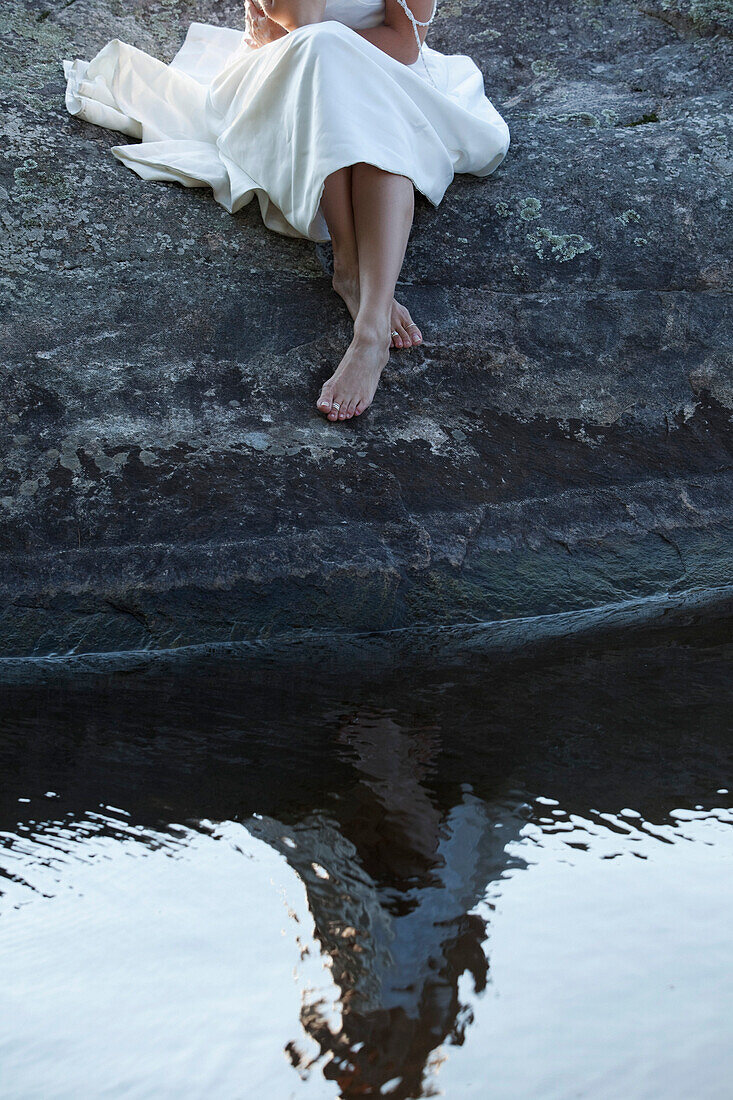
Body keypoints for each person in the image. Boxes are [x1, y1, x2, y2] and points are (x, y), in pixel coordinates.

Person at [62, 1, 510, 422]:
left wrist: (342, 56)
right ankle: (350, 266)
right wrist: (332, 53)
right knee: (321, 53)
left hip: (386, 67)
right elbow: (302, 20)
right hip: (282, 78)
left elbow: (404, 41)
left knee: (362, 105)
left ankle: (370, 329)